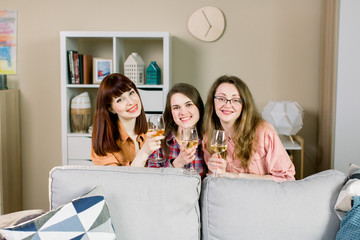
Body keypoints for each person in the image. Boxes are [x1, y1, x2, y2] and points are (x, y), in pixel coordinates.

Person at [202, 75, 295, 181]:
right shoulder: (208, 138)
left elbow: (287, 178)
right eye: (221, 98)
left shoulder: (263, 131)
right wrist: (217, 172)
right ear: (212, 102)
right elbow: (214, 181)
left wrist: (232, 175)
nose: (227, 105)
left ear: (244, 104)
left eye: (235, 100)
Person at [91, 73, 163, 166]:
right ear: (111, 109)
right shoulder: (103, 144)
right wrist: (144, 152)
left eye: (131, 93)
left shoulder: (151, 132)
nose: (130, 102)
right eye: (120, 99)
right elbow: (117, 180)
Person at [147, 83, 207, 177]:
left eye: (188, 105)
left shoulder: (209, 141)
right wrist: (177, 163)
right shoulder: (159, 142)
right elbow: (152, 180)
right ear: (171, 113)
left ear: (199, 107)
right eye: (176, 107)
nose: (183, 112)